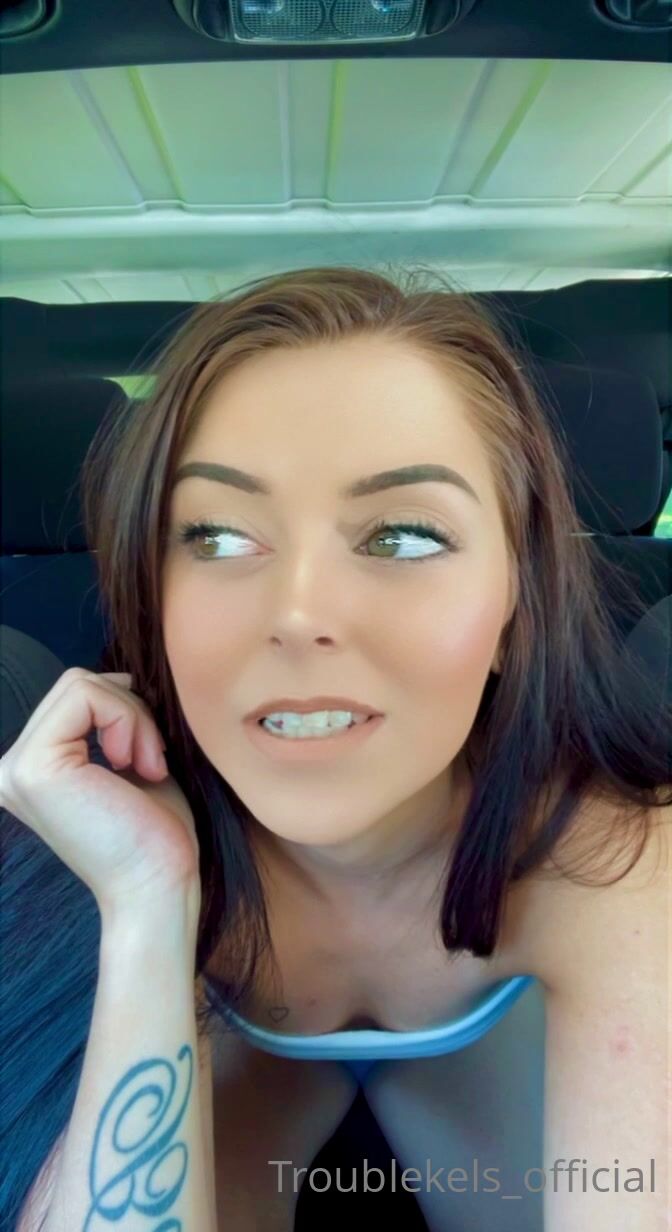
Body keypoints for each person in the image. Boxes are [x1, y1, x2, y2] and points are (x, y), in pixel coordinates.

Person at [1, 265, 669, 1232]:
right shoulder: (71, 851)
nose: (297, 613)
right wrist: (147, 907)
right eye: (217, 538)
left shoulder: (621, 856)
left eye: (401, 538)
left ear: (517, 600)